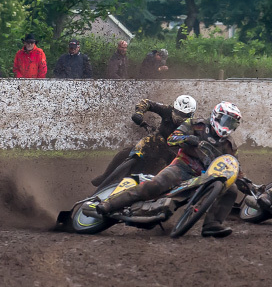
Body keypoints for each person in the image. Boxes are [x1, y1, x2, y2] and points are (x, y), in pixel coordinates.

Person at [89, 102, 243, 238]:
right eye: (225, 120)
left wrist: (248, 185)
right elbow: (171, 139)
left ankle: (212, 225)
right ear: (216, 116)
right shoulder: (196, 124)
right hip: (182, 166)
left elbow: (232, 166)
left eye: (231, 123)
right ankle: (110, 204)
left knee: (231, 189)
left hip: (205, 178)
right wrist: (187, 138)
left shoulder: (229, 145)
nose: (226, 125)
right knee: (157, 184)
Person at [90, 95, 198, 187]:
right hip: (156, 141)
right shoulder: (167, 110)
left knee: (172, 174)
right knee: (128, 152)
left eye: (184, 115)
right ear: (174, 108)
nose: (179, 117)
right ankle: (105, 176)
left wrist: (195, 141)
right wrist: (139, 113)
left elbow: (203, 140)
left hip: (173, 151)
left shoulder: (195, 125)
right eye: (178, 112)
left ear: (191, 115)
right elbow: (147, 103)